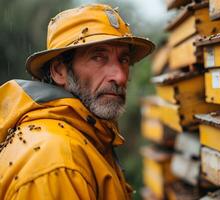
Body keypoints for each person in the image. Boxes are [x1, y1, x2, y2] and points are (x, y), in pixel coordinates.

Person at [0, 4, 155, 200]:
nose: (120, 77)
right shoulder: (57, 163)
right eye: (98, 57)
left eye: (123, 60)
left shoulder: (85, 137)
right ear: (59, 71)